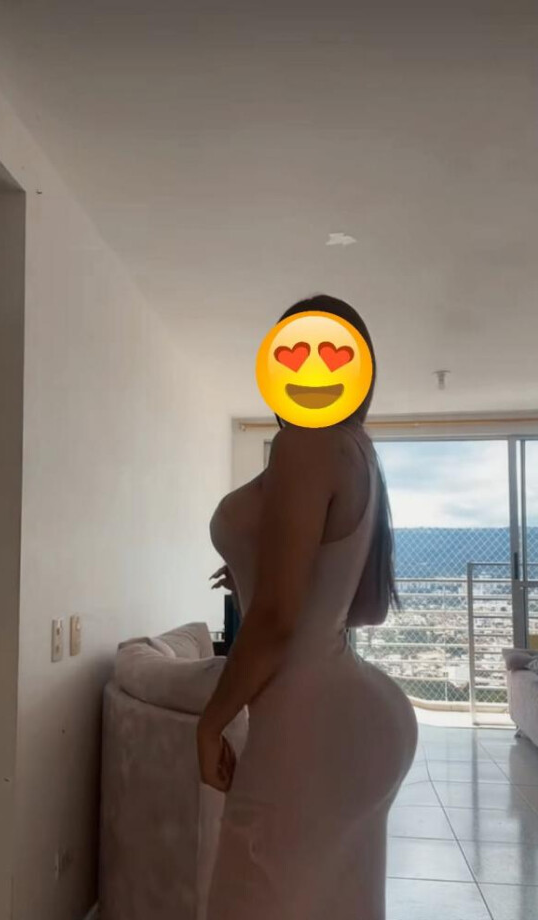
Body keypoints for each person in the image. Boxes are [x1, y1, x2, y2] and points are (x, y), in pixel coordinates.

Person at [199, 294, 418, 920]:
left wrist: (210, 723)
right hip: (357, 718)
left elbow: (277, 620)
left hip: (307, 727)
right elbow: (364, 608)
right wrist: (257, 573)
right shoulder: (357, 451)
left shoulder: (303, 442)